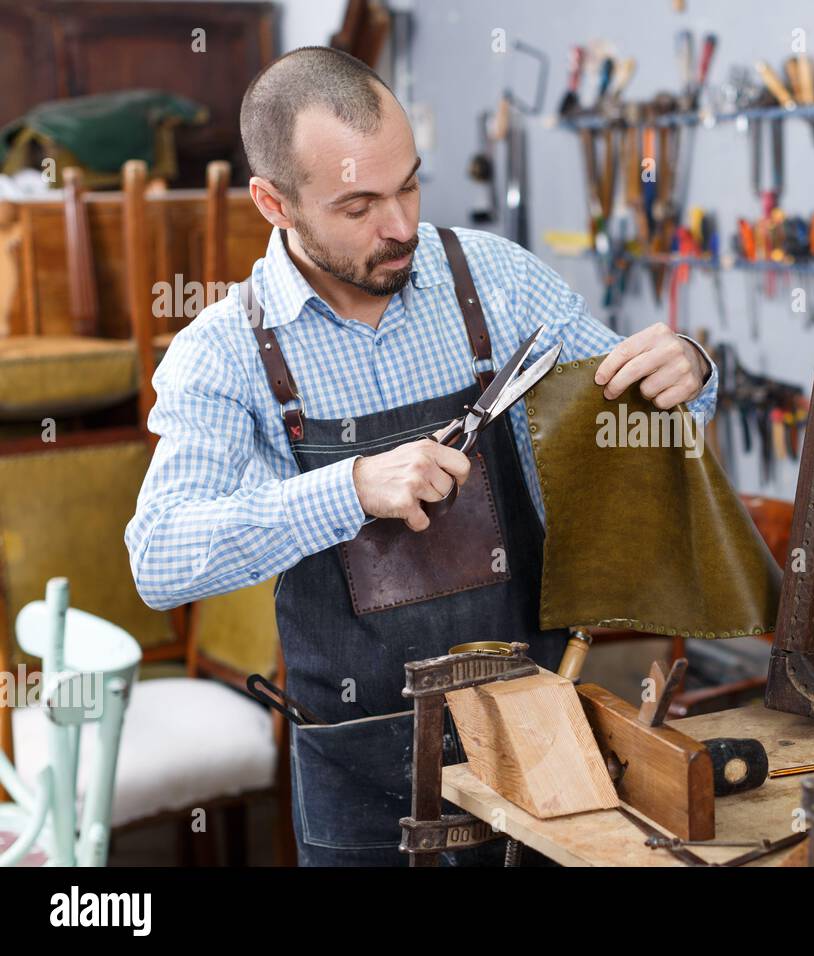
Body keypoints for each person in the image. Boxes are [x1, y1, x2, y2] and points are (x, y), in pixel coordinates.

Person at [125, 47, 716, 866]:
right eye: (359, 204)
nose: (400, 226)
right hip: (359, 771)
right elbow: (160, 559)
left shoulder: (496, 282)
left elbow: (641, 418)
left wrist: (691, 369)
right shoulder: (224, 353)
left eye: (408, 184)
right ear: (273, 202)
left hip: (534, 742)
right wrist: (351, 489)